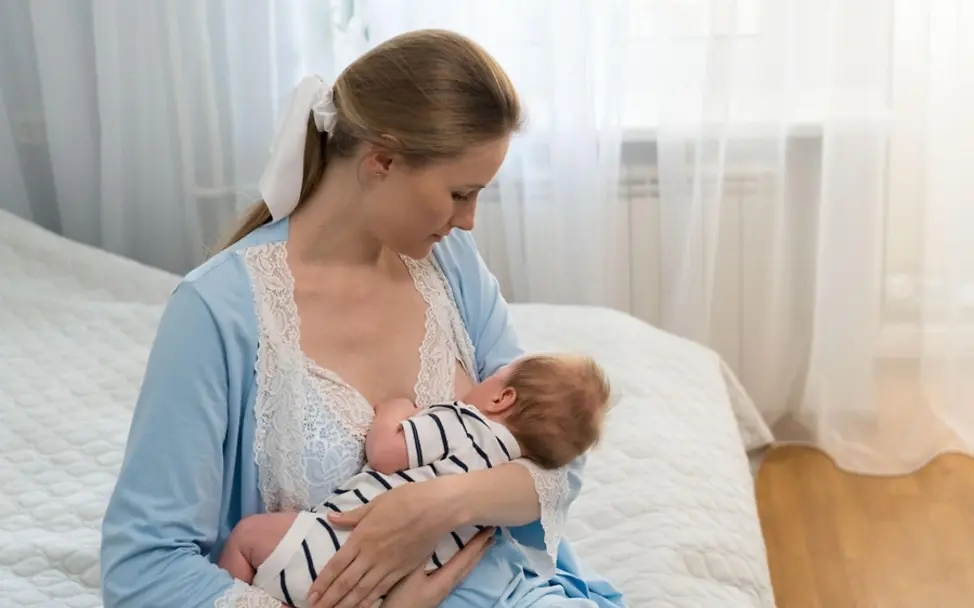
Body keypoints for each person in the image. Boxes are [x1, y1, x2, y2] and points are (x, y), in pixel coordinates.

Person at [100, 28, 626, 608]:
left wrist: (433, 506)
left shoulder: (450, 265)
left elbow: (557, 456)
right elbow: (144, 569)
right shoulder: (216, 311)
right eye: (459, 193)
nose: (470, 219)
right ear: (382, 159)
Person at [217, 355, 610, 607]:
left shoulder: (465, 423)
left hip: (338, 545)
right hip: (393, 586)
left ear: (501, 398)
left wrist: (396, 409)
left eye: (495, 375)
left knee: (247, 537)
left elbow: (388, 453)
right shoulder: (510, 469)